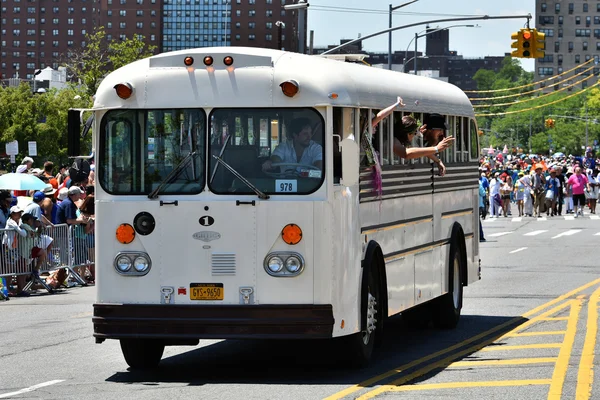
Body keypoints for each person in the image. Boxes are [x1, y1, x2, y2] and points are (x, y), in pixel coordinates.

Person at [390, 114, 455, 176]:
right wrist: (437, 148)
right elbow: (406, 153)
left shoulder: (407, 141)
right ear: (408, 133)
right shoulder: (393, 141)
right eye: (414, 133)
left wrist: (438, 161)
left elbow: (421, 151)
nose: (442, 133)